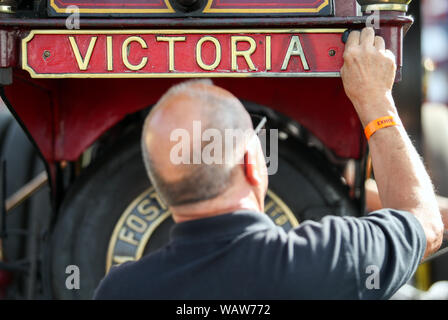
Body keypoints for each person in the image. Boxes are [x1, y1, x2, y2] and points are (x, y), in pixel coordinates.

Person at [94, 28, 445, 299]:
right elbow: (426, 224)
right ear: (252, 165)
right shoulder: (333, 256)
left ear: (161, 188)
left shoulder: (121, 290)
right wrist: (374, 100)